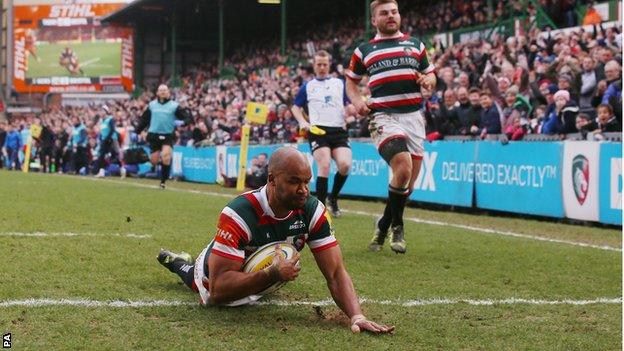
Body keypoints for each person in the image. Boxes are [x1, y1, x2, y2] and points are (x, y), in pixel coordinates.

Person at [157, 147, 394, 334]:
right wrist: (271, 274)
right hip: (219, 274)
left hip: (264, 271)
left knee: (260, 284)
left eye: (306, 181)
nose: (303, 189)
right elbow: (218, 291)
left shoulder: (313, 211)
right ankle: (178, 263)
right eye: (294, 181)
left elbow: (335, 273)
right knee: (199, 282)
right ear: (272, 179)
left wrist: (357, 316)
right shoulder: (239, 213)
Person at [345, 0, 436, 254]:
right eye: (384, 13)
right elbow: (351, 83)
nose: (390, 16)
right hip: (383, 116)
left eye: (394, 12)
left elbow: (431, 76)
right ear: (374, 20)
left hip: (414, 117)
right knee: (403, 166)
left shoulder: (416, 45)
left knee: (407, 186)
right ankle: (398, 226)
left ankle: (383, 224)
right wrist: (356, 102)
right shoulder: (364, 50)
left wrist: (429, 80)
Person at [291, 50, 352, 217]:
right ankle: (320, 210)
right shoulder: (307, 86)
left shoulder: (340, 83)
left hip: (339, 130)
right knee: (324, 165)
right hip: (318, 131)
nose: (322, 67)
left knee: (345, 165)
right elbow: (295, 107)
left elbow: (348, 104)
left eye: (325, 64)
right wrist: (302, 122)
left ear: (329, 64)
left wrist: (351, 111)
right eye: (319, 64)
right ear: (314, 66)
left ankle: (333, 198)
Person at [136, 84, 191, 189]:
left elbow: (187, 117)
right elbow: (144, 119)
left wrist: (183, 122)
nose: (162, 92)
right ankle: (156, 164)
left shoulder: (174, 106)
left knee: (166, 156)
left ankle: (163, 181)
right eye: (160, 90)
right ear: (157, 92)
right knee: (154, 161)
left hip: (168, 135)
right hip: (154, 135)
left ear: (168, 92)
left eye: (164, 90)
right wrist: (138, 130)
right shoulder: (152, 105)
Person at [95, 105, 125, 178]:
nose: (101, 112)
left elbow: (112, 130)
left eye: (103, 111)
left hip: (112, 139)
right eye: (100, 111)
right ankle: (101, 172)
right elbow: (102, 132)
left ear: (106, 112)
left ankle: (122, 169)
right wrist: (102, 139)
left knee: (115, 155)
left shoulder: (110, 119)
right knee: (101, 155)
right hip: (104, 140)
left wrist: (108, 138)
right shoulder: (102, 121)